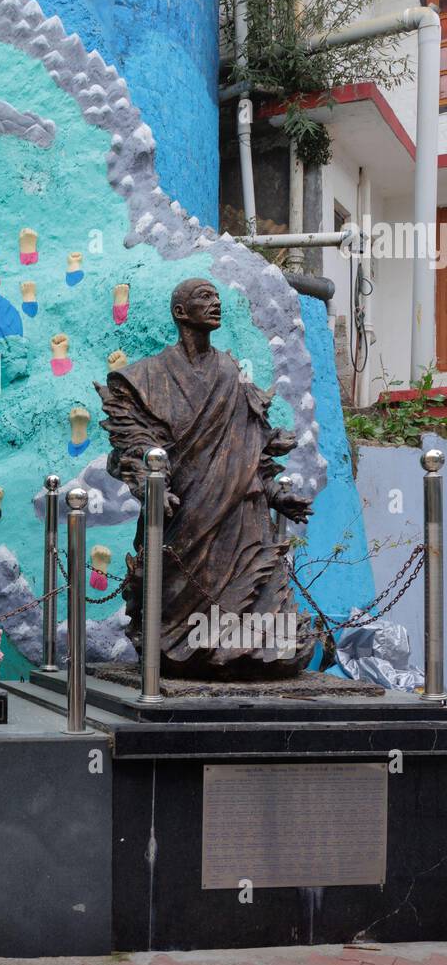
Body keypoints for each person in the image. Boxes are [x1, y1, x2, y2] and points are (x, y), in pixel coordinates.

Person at [95, 277, 314, 678]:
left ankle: (253, 647)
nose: (215, 303)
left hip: (240, 516)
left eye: (216, 296)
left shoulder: (231, 373)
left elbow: (252, 446)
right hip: (185, 514)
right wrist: (147, 470)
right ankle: (179, 642)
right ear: (181, 313)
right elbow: (134, 441)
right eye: (204, 297)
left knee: (259, 598)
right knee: (180, 599)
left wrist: (275, 492)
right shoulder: (148, 377)